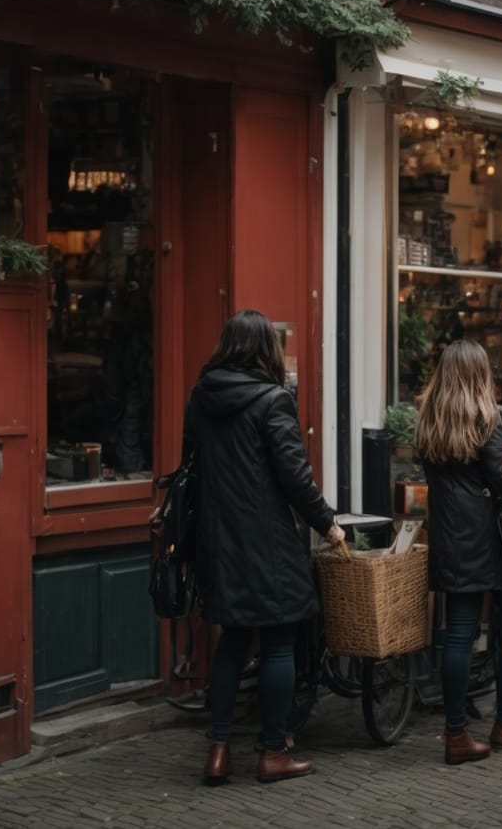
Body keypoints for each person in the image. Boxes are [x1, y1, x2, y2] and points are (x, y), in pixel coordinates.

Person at [192, 311, 345, 786]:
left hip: (220, 538)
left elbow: (191, 465)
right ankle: (273, 750)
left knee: (233, 639)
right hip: (268, 541)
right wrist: (328, 523)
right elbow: (294, 477)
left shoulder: (202, 396)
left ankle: (219, 751)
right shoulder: (273, 399)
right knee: (279, 640)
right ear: (266, 349)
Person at [416, 340, 502, 765]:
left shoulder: (429, 419)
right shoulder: (487, 420)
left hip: (450, 536)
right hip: (492, 540)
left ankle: (456, 734)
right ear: (479, 374)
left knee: (459, 631)